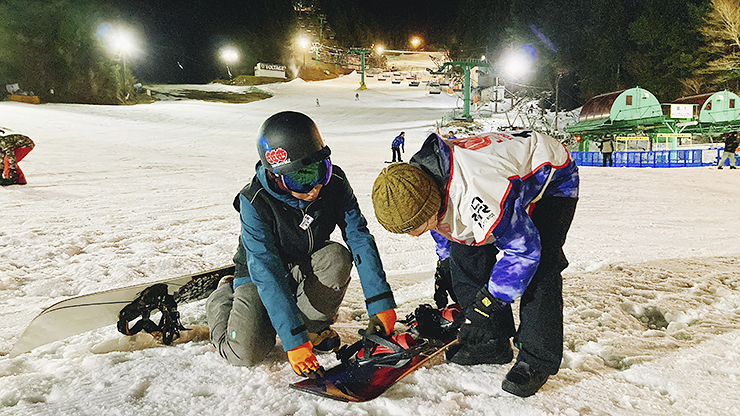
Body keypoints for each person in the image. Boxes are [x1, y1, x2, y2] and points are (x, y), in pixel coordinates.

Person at [371, 130, 579, 397]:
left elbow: (523, 253)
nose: (413, 235)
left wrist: (486, 305)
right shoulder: (415, 182)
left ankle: (537, 359)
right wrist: (445, 261)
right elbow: (441, 224)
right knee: (464, 254)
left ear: (431, 203)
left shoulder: (476, 192)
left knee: (541, 269)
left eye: (414, 227)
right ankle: (491, 342)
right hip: (498, 178)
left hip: (550, 180)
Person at [207, 111, 397, 378]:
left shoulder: (335, 184)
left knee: (336, 257)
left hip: (304, 264)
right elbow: (267, 271)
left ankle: (311, 326)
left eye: (320, 171)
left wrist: (380, 302)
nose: (314, 188)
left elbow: (359, 238)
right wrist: (294, 341)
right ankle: (222, 296)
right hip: (258, 277)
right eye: (299, 179)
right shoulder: (254, 202)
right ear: (276, 176)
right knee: (246, 354)